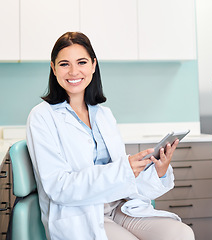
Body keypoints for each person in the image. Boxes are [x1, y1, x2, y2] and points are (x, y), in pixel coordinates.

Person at [26, 32, 194, 240]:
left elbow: (124, 181)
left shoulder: (104, 115)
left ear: (94, 65)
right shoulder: (42, 117)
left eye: (81, 62)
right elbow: (58, 187)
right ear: (53, 68)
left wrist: (157, 172)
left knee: (180, 234)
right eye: (64, 64)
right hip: (80, 214)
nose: (73, 71)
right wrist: (124, 169)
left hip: (120, 206)